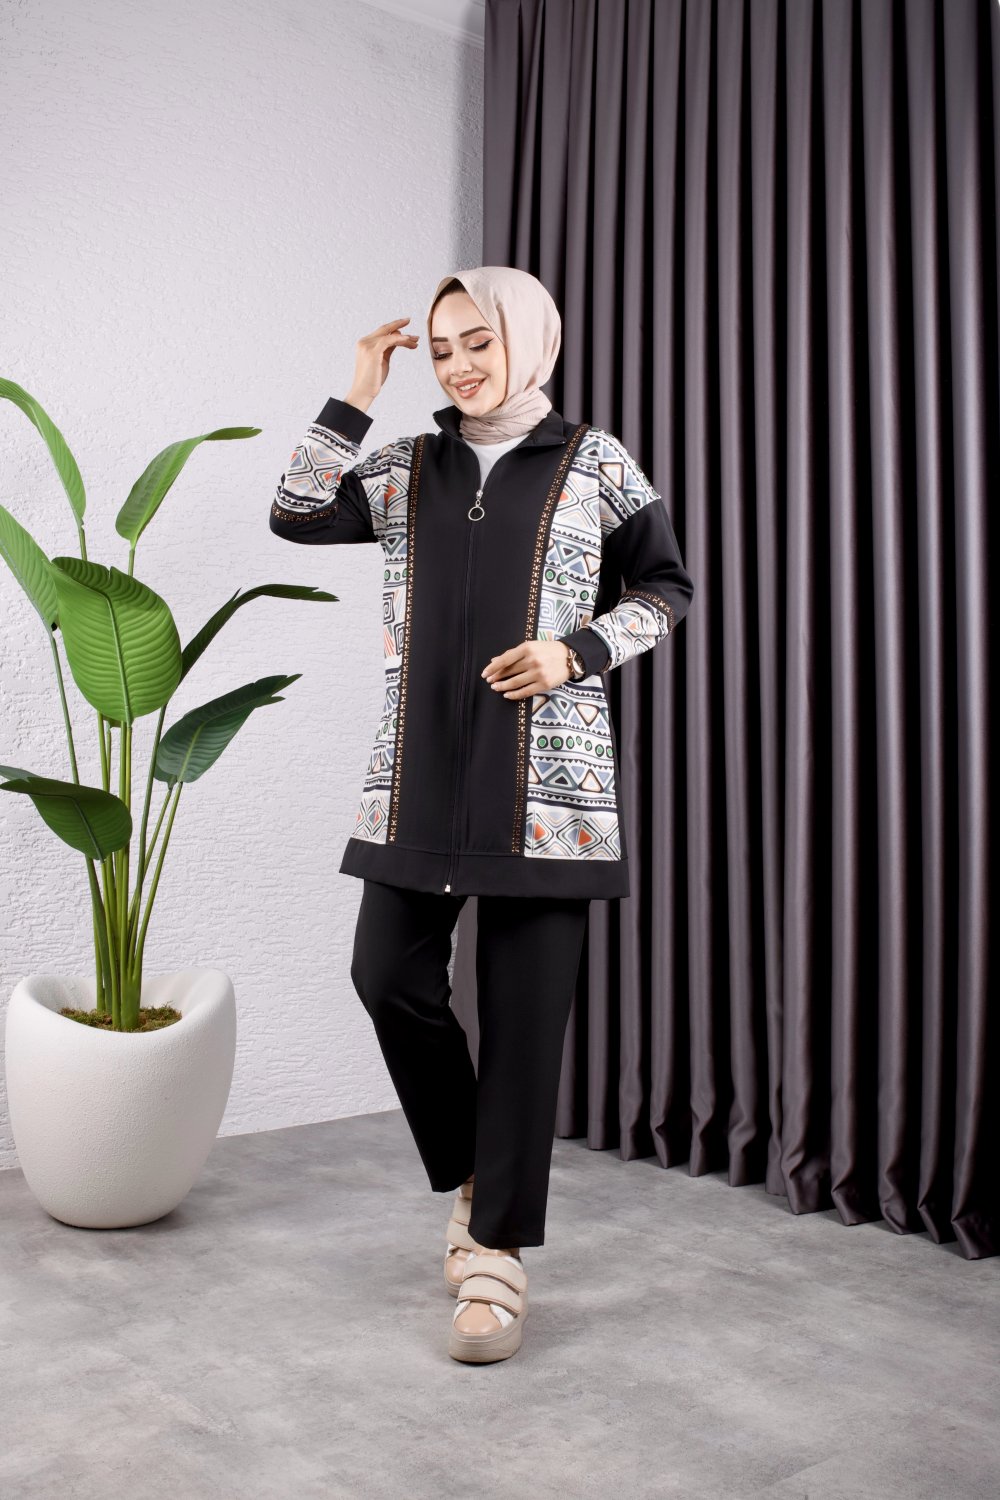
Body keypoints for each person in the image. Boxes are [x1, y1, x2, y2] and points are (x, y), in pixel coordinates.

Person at [270, 265, 694, 1363]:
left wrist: (575, 650)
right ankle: (477, 1173)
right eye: (446, 346)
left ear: (529, 342)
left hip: (550, 788)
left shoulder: (596, 462)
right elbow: (295, 514)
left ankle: (494, 1256)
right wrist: (357, 391)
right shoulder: (407, 466)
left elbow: (666, 589)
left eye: (480, 342)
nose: (461, 364)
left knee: (523, 1024)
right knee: (387, 979)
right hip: (415, 774)